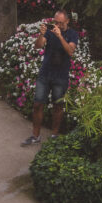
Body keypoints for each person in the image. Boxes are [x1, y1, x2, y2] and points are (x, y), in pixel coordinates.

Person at [21, 9, 78, 146]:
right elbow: (38, 46)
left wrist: (60, 36)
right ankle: (35, 136)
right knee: (37, 104)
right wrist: (41, 35)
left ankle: (54, 135)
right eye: (55, 22)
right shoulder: (50, 31)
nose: (57, 25)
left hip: (61, 76)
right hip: (45, 73)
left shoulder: (72, 34)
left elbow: (70, 51)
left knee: (58, 106)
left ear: (67, 21)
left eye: (60, 23)